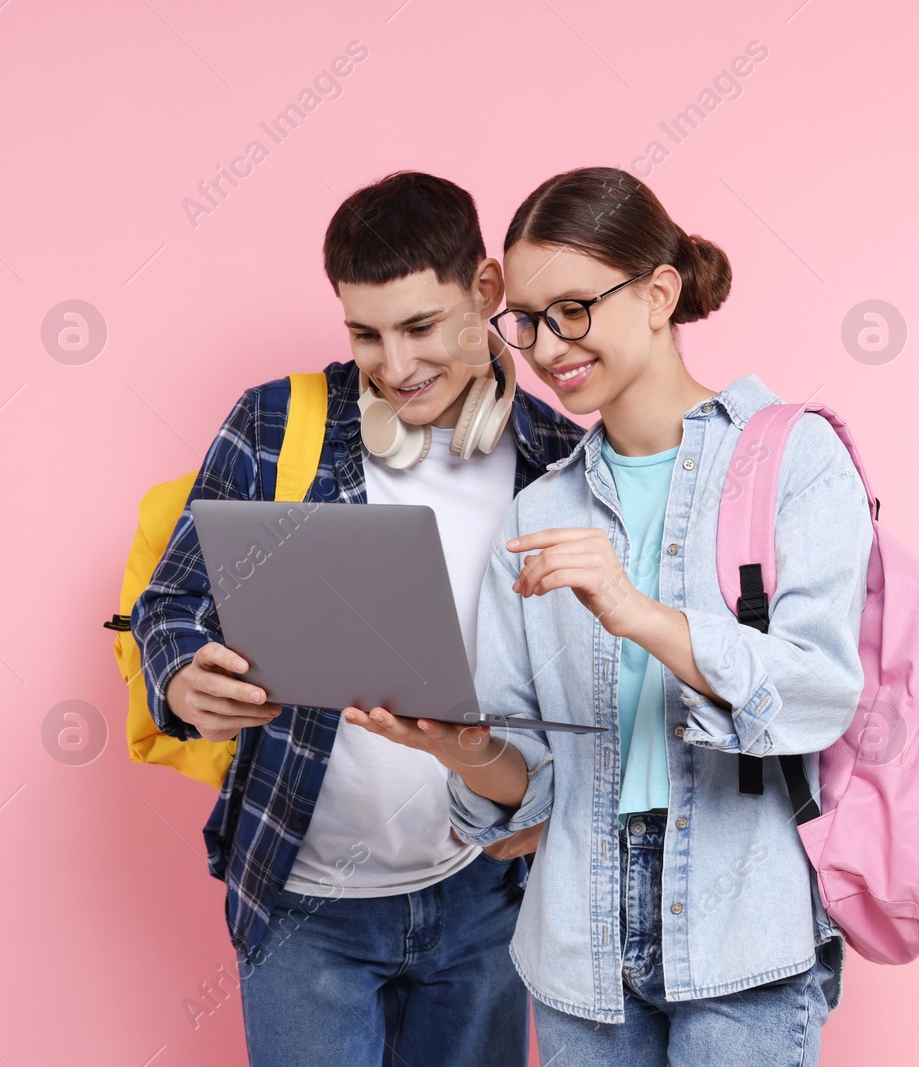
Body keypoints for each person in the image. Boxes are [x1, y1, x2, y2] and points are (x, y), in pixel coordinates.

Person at [344, 166, 871, 1066]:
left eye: (574, 310)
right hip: (577, 941)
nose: (548, 347)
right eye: (528, 320)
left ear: (660, 292)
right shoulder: (540, 511)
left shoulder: (793, 457)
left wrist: (637, 610)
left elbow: (819, 693)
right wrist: (450, 744)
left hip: (741, 926)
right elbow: (531, 785)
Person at [130, 171, 583, 1065]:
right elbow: (170, 603)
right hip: (304, 903)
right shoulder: (272, 424)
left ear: (487, 292)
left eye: (421, 326)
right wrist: (182, 674)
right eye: (365, 333)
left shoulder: (556, 461)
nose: (397, 362)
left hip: (488, 902)